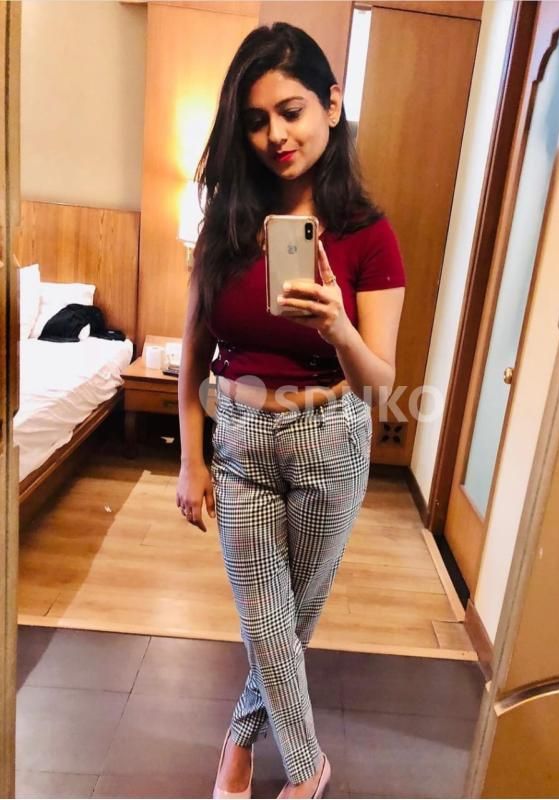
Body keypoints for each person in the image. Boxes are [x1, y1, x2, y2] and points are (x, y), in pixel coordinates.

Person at [176, 22, 406, 800]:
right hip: (239, 440)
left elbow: (381, 383)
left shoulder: (370, 237)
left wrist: (339, 327)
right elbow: (193, 353)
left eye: (292, 110)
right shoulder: (225, 225)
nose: (276, 134)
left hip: (330, 439)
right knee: (267, 617)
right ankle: (308, 768)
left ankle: (238, 741)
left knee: (291, 617)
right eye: (256, 119)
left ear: (332, 105)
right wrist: (190, 460)